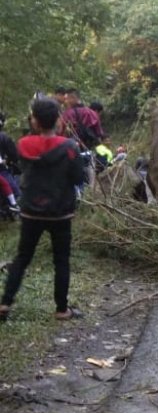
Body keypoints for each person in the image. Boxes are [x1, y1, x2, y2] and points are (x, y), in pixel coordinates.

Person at [0, 98, 85, 322]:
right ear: (58, 120)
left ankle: (5, 303)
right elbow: (79, 177)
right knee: (61, 260)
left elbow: (20, 167)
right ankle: (61, 309)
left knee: (22, 258)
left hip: (30, 211)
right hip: (60, 212)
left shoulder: (23, 145)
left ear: (35, 121)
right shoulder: (69, 147)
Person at [0, 111, 21, 198]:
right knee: (17, 194)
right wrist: (8, 161)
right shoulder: (4, 137)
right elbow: (15, 156)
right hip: (2, 171)